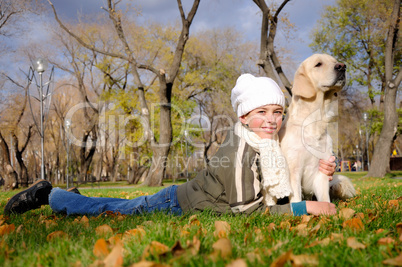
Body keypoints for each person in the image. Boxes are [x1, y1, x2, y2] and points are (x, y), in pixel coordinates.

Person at [4, 74, 337, 217]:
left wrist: (321, 170)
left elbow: (294, 166)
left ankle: (72, 196)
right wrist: (303, 208)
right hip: (177, 203)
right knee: (112, 210)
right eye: (261, 112)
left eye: (277, 112)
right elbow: (244, 210)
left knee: (117, 205)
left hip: (183, 194)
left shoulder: (267, 143)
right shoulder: (240, 150)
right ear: (244, 117)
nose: (271, 119)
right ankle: (49, 195)